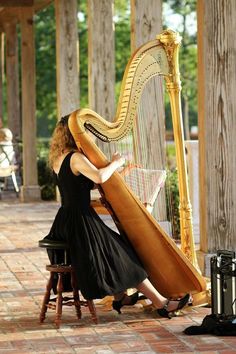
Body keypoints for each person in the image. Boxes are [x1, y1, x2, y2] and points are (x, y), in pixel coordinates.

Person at [42, 115, 190, 318]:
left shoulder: (60, 159)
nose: (88, 136)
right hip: (81, 221)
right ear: (75, 134)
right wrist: (116, 162)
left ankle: (122, 297)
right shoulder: (76, 158)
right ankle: (161, 303)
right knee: (121, 254)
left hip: (67, 220)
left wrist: (122, 172)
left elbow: (84, 185)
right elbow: (99, 177)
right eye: (85, 131)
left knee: (115, 250)